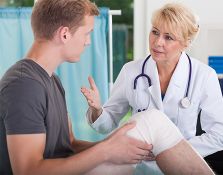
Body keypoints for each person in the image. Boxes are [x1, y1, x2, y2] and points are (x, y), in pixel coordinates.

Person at [0, 0, 152, 174]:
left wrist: (115, 147)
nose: (88, 42)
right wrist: (106, 151)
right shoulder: (23, 86)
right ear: (65, 34)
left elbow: (69, 144)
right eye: (87, 33)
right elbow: (29, 171)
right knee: (155, 122)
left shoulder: (53, 80)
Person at [81, 2, 223, 174]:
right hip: (138, 166)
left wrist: (170, 150)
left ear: (186, 43)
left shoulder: (204, 76)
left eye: (168, 37)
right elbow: (107, 124)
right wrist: (97, 110)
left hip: (180, 166)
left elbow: (219, 135)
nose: (157, 42)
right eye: (155, 32)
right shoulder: (131, 71)